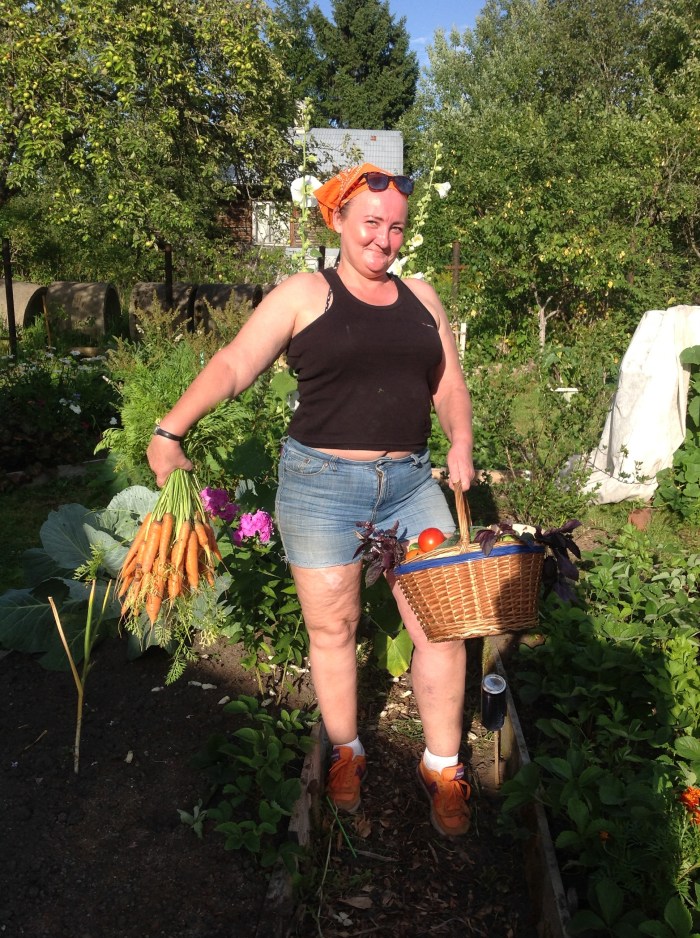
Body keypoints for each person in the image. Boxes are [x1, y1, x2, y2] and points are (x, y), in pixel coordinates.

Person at [147, 163, 475, 837]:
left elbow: (446, 381)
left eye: (396, 229)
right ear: (338, 222)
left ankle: (443, 765)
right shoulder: (304, 293)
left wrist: (462, 444)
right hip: (321, 487)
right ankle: (347, 752)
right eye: (370, 225)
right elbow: (237, 363)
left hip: (413, 484)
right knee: (334, 629)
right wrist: (169, 429)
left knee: (441, 627)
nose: (384, 241)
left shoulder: (422, 296)